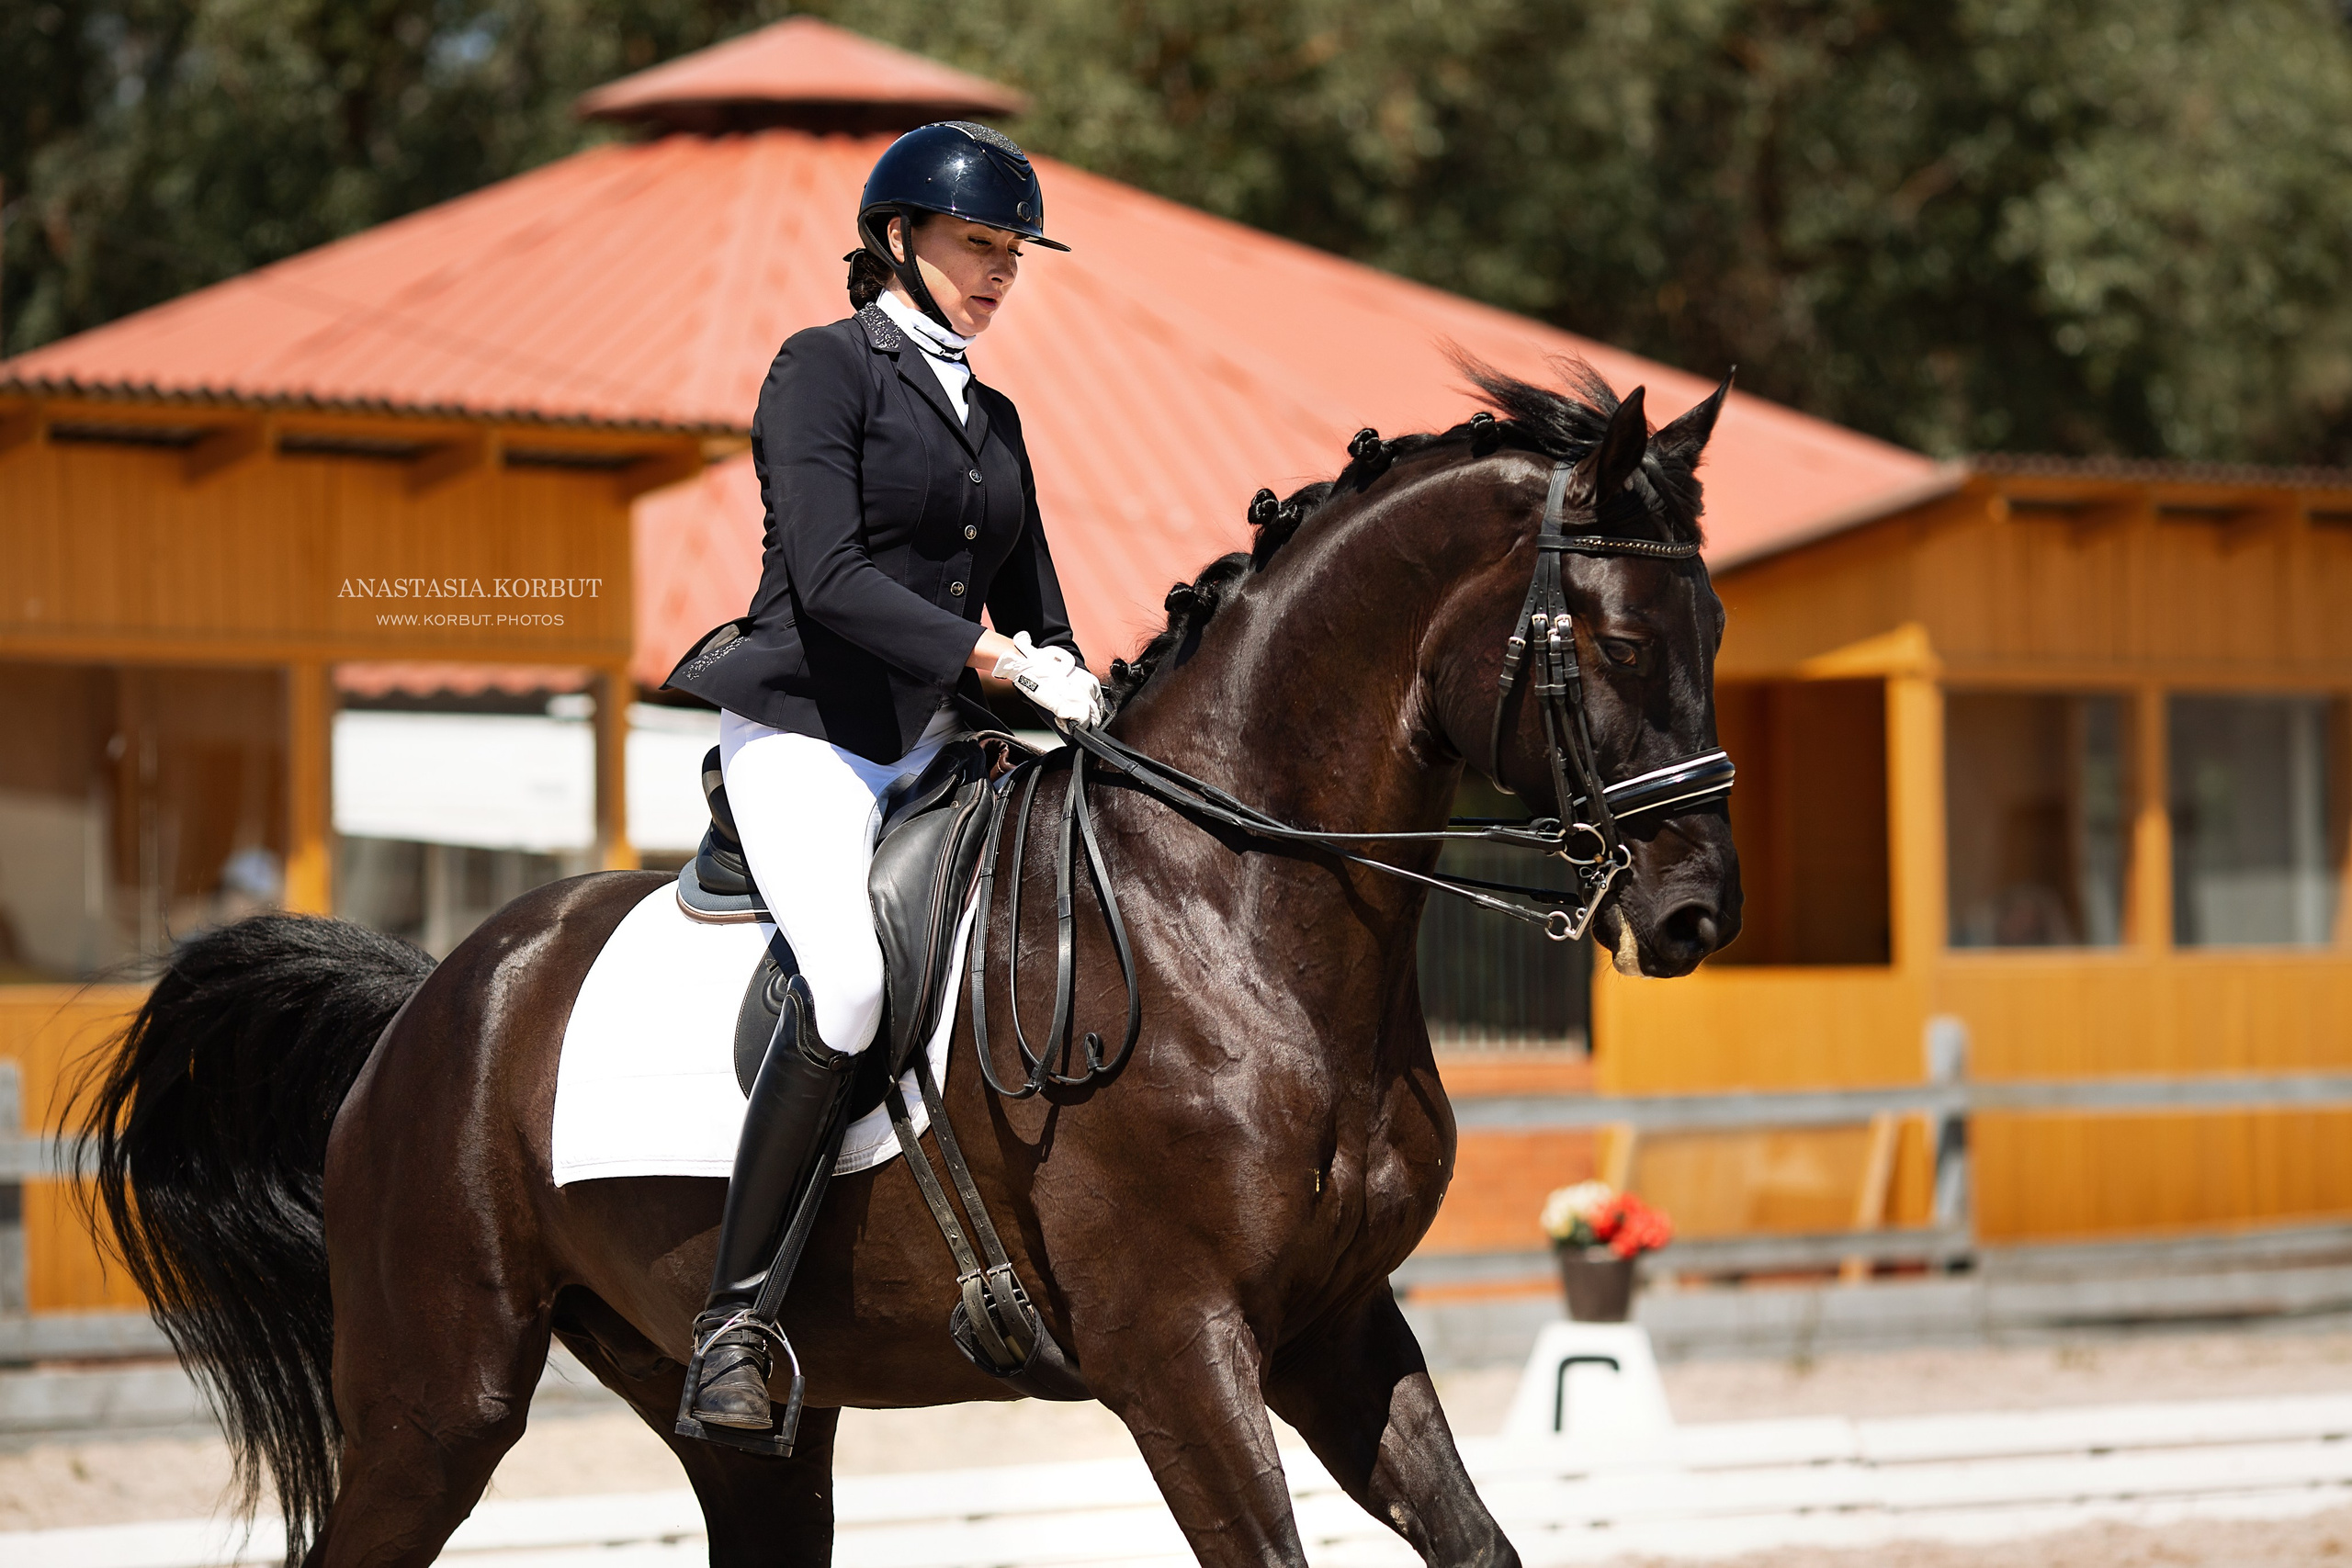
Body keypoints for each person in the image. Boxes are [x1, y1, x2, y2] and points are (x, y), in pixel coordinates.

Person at [662, 121, 1103, 1434]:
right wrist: (992, 660)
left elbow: (1040, 609)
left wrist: (1079, 688)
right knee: (849, 980)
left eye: (1012, 255)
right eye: (981, 246)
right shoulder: (821, 370)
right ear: (901, 239)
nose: (1000, 274)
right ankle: (734, 1319)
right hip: (809, 728)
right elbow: (831, 576)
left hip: (929, 741)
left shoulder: (994, 413)